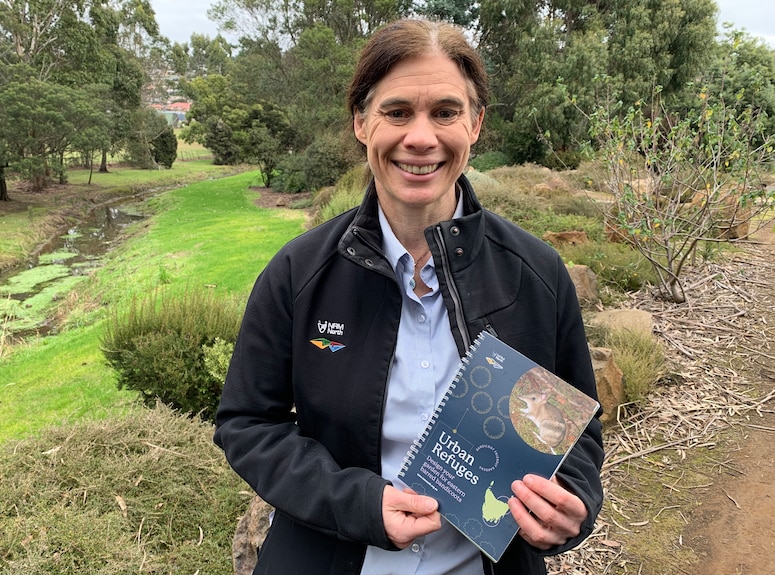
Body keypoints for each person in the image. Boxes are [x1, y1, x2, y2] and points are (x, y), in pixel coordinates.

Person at [213, 18, 604, 575]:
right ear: (361, 123)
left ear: (475, 124)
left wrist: (575, 504)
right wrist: (358, 504)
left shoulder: (536, 275)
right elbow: (246, 423)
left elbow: (578, 431)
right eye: (397, 112)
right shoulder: (298, 273)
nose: (421, 138)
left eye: (445, 112)